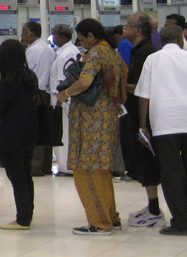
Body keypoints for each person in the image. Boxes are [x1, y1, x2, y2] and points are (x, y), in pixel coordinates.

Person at [136, 25, 187, 236]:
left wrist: (143, 126)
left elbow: (143, 97)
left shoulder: (152, 60)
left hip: (164, 124)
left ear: (161, 41)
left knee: (172, 172)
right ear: (181, 40)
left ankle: (182, 223)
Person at [56, 19, 127, 236]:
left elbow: (85, 82)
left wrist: (66, 93)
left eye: (83, 38)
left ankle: (99, 222)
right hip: (108, 116)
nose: (82, 43)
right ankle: (111, 216)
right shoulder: (113, 53)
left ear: (91, 36)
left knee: (87, 170)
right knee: (102, 171)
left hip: (91, 119)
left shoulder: (96, 54)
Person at [121, 13, 165, 228]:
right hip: (138, 113)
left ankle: (155, 208)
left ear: (138, 31)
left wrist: (119, 85)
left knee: (148, 160)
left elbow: (141, 86)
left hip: (144, 117)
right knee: (143, 160)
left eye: (128, 25)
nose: (124, 28)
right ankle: (152, 204)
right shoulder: (139, 51)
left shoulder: (146, 52)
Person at [0, 40, 40, 229]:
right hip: (29, 131)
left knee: (16, 175)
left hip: (11, 133)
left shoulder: (9, 80)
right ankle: (27, 213)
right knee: (25, 174)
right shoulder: (30, 76)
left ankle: (22, 219)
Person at [49, 23, 81, 176]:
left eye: (54, 34)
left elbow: (63, 80)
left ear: (61, 37)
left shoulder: (65, 55)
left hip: (64, 100)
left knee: (64, 134)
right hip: (67, 99)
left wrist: (59, 103)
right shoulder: (71, 50)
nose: (53, 37)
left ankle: (65, 166)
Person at [21, 21, 55, 95]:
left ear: (31, 35)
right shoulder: (49, 49)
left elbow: (26, 73)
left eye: (23, 33)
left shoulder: (32, 50)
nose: (21, 36)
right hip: (47, 92)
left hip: (35, 92)